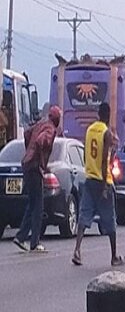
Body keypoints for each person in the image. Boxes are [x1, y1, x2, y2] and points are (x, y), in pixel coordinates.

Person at [72, 102, 125, 266]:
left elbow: (86, 156)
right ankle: (114, 256)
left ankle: (77, 250)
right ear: (108, 115)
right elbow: (104, 161)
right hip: (104, 181)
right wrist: (104, 186)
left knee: (84, 215)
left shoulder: (89, 130)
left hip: (89, 179)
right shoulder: (106, 133)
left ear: (98, 114)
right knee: (110, 219)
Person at [12, 106, 61, 253]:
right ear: (56, 118)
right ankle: (35, 243)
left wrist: (29, 152)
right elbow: (41, 141)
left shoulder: (40, 124)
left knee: (32, 204)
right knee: (38, 206)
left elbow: (27, 134)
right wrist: (40, 162)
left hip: (27, 164)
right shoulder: (50, 129)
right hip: (34, 167)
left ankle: (21, 237)